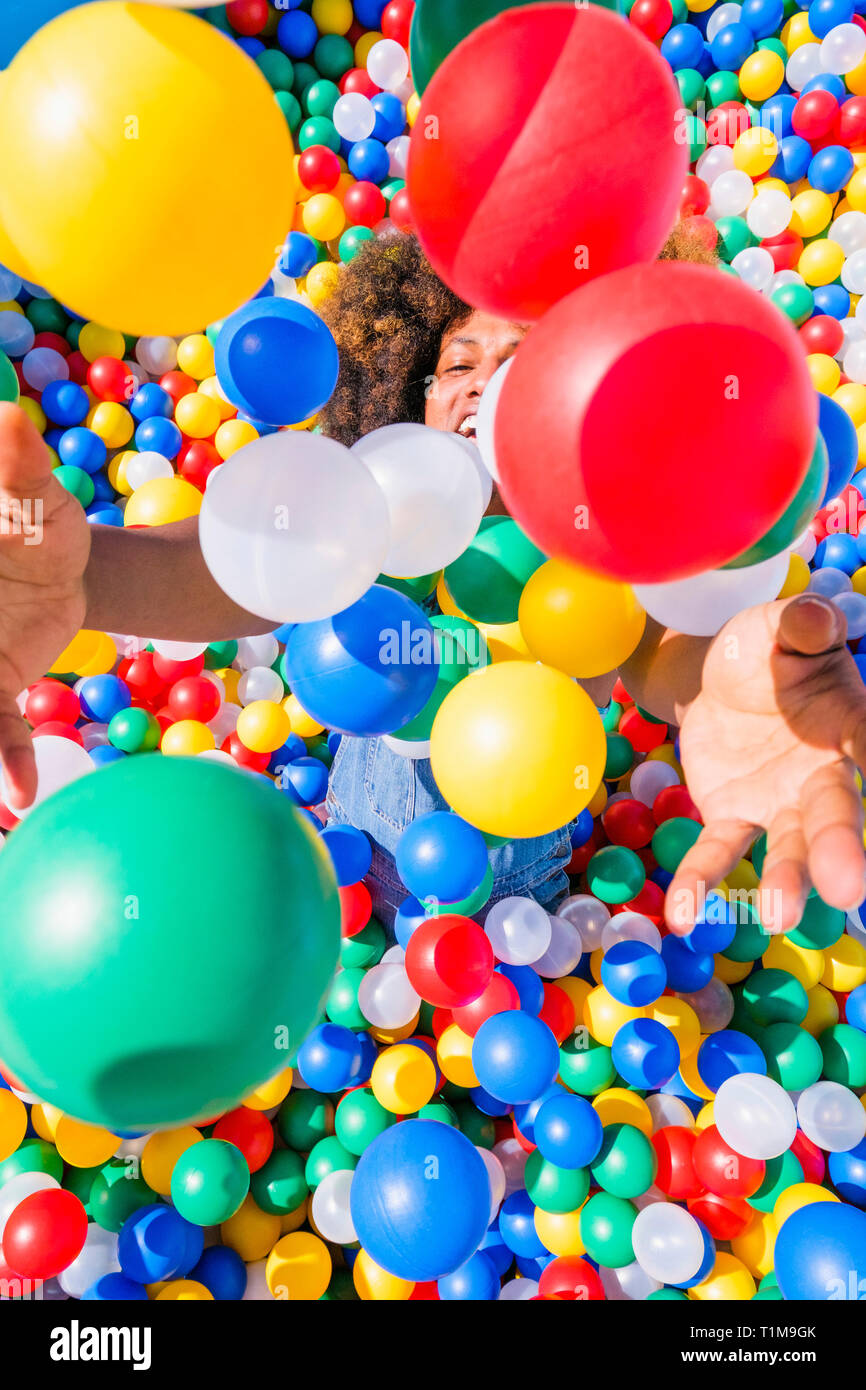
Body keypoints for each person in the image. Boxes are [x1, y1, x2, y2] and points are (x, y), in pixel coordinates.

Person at [0, 228, 863, 940]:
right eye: (459, 364)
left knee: (511, 964)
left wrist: (744, 686)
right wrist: (85, 578)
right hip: (359, 851)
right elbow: (232, 569)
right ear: (407, 400)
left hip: (529, 874)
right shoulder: (382, 516)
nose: (492, 381)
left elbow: (674, 663)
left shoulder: (608, 550)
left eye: (532, 361)